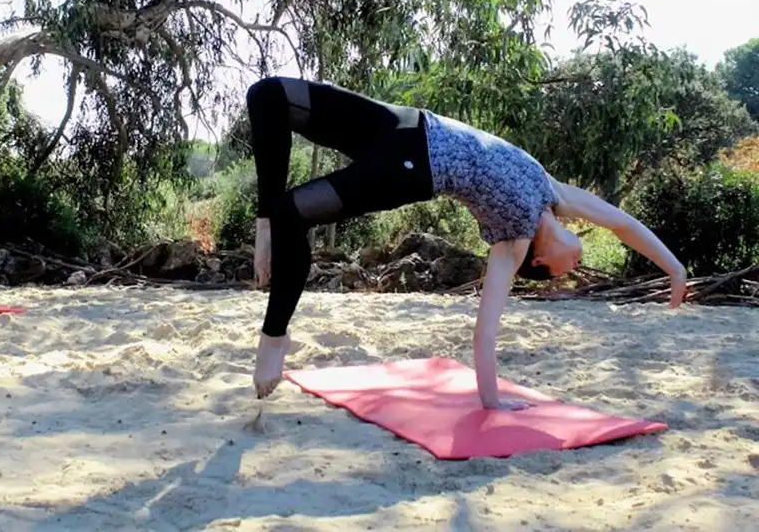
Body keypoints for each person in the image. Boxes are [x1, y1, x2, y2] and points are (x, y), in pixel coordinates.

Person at [246, 76, 688, 407]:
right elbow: (624, 224)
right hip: (408, 122)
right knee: (267, 95)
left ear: (542, 261)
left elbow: (485, 334)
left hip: (410, 168)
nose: (574, 268)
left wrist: (492, 402)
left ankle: (274, 337)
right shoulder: (555, 192)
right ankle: (264, 221)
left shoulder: (510, 244)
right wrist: (674, 267)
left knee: (292, 212)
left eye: (564, 274)